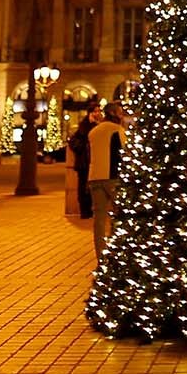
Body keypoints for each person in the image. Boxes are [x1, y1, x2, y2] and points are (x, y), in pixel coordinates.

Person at [86, 100, 126, 259]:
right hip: (113, 177)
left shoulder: (94, 131)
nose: (122, 116)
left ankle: (101, 255)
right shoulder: (117, 130)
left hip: (95, 177)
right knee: (119, 215)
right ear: (114, 114)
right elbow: (125, 152)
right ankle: (115, 252)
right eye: (120, 113)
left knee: (99, 219)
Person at [68, 96, 103, 220]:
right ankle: (85, 211)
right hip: (84, 162)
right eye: (95, 111)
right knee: (83, 187)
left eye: (99, 111)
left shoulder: (101, 124)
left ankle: (92, 210)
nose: (97, 113)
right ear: (90, 113)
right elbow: (79, 139)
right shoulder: (85, 125)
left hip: (96, 161)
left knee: (94, 187)